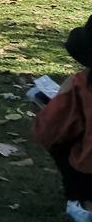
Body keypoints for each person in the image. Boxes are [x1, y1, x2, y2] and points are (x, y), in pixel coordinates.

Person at [35, 15, 92, 221]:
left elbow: (50, 130)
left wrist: (52, 105)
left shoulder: (81, 84)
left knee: (60, 140)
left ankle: (84, 202)